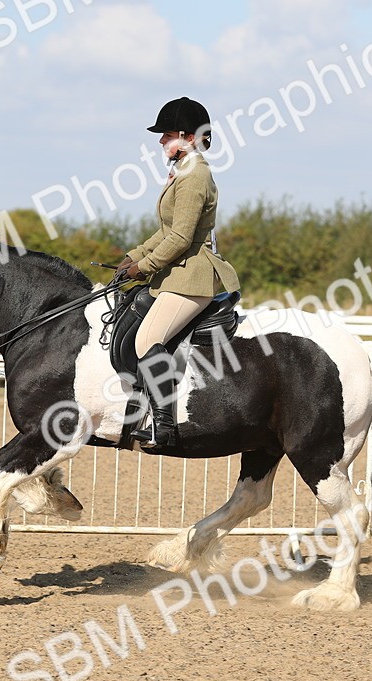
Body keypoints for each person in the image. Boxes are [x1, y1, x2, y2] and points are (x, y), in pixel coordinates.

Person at [116, 97, 241, 449]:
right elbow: (164, 231)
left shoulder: (195, 175)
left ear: (186, 136)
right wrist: (132, 258)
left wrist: (144, 267)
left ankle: (163, 426)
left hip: (193, 276)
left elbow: (182, 238)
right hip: (178, 274)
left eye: (165, 134)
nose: (160, 142)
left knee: (146, 339)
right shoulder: (184, 172)